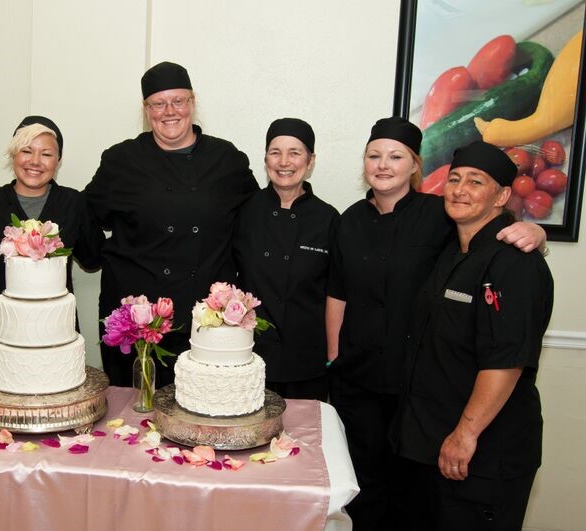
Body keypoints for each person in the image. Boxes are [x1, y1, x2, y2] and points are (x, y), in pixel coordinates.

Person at [325, 117, 546, 531]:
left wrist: (534, 230)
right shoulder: (354, 221)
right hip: (377, 393)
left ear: (415, 166)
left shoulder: (450, 223)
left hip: (444, 415)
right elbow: (337, 293)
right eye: (374, 156)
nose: (461, 191)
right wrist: (334, 359)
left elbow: (506, 357)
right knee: (380, 499)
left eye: (396, 156)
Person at [395, 141, 553, 530]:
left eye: (475, 182)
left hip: (483, 452)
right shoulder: (453, 251)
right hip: (435, 443)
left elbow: (507, 361)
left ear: (501, 195)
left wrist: (465, 435)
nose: (460, 190)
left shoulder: (514, 261)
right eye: (454, 179)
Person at [85, 61, 258, 387]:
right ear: (146, 109)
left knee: (202, 415)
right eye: (158, 103)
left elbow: (253, 224)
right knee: (133, 418)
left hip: (206, 321)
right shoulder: (121, 160)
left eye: (178, 101)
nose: (169, 111)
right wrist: (105, 261)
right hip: (137, 319)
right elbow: (86, 216)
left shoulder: (227, 160)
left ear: (192, 102)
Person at [0, 115, 104, 370]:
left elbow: (93, 259)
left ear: (58, 160)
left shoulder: (74, 203)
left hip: (57, 335)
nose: (35, 162)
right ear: (13, 155)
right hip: (0, 333)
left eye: (47, 154)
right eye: (26, 151)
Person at [234, 118, 338, 400]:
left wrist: (333, 354)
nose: (284, 161)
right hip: (249, 357)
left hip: (307, 360)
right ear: (265, 157)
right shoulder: (244, 212)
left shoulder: (329, 219)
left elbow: (337, 293)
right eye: (275, 152)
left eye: (295, 152)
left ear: (310, 160)